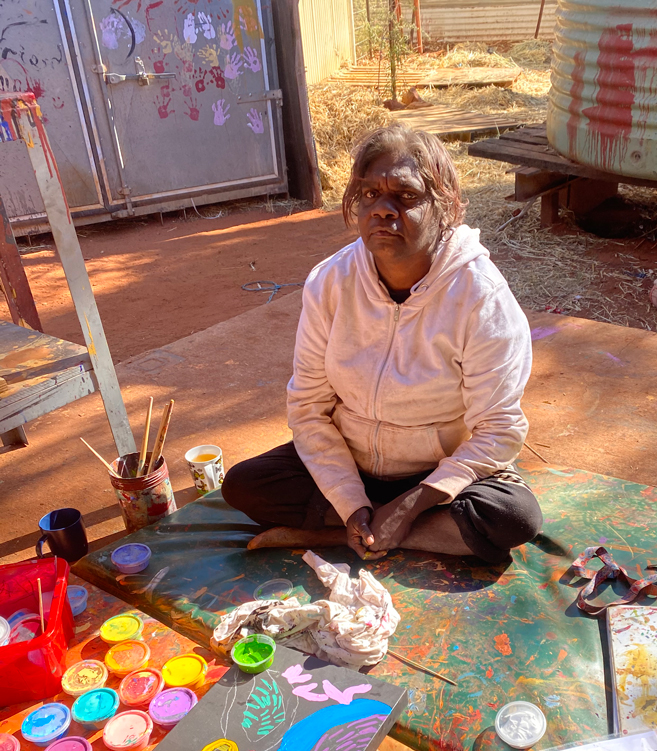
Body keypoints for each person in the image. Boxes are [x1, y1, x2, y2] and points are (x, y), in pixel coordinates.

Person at [222, 124, 542, 563]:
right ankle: (376, 528)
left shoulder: (480, 297)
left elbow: (498, 429)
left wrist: (410, 506)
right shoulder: (331, 282)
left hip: (435, 476)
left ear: (445, 205)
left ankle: (351, 534)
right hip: (353, 463)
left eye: (406, 197)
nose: (382, 211)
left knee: (514, 518)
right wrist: (352, 502)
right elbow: (309, 406)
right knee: (244, 486)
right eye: (370, 194)